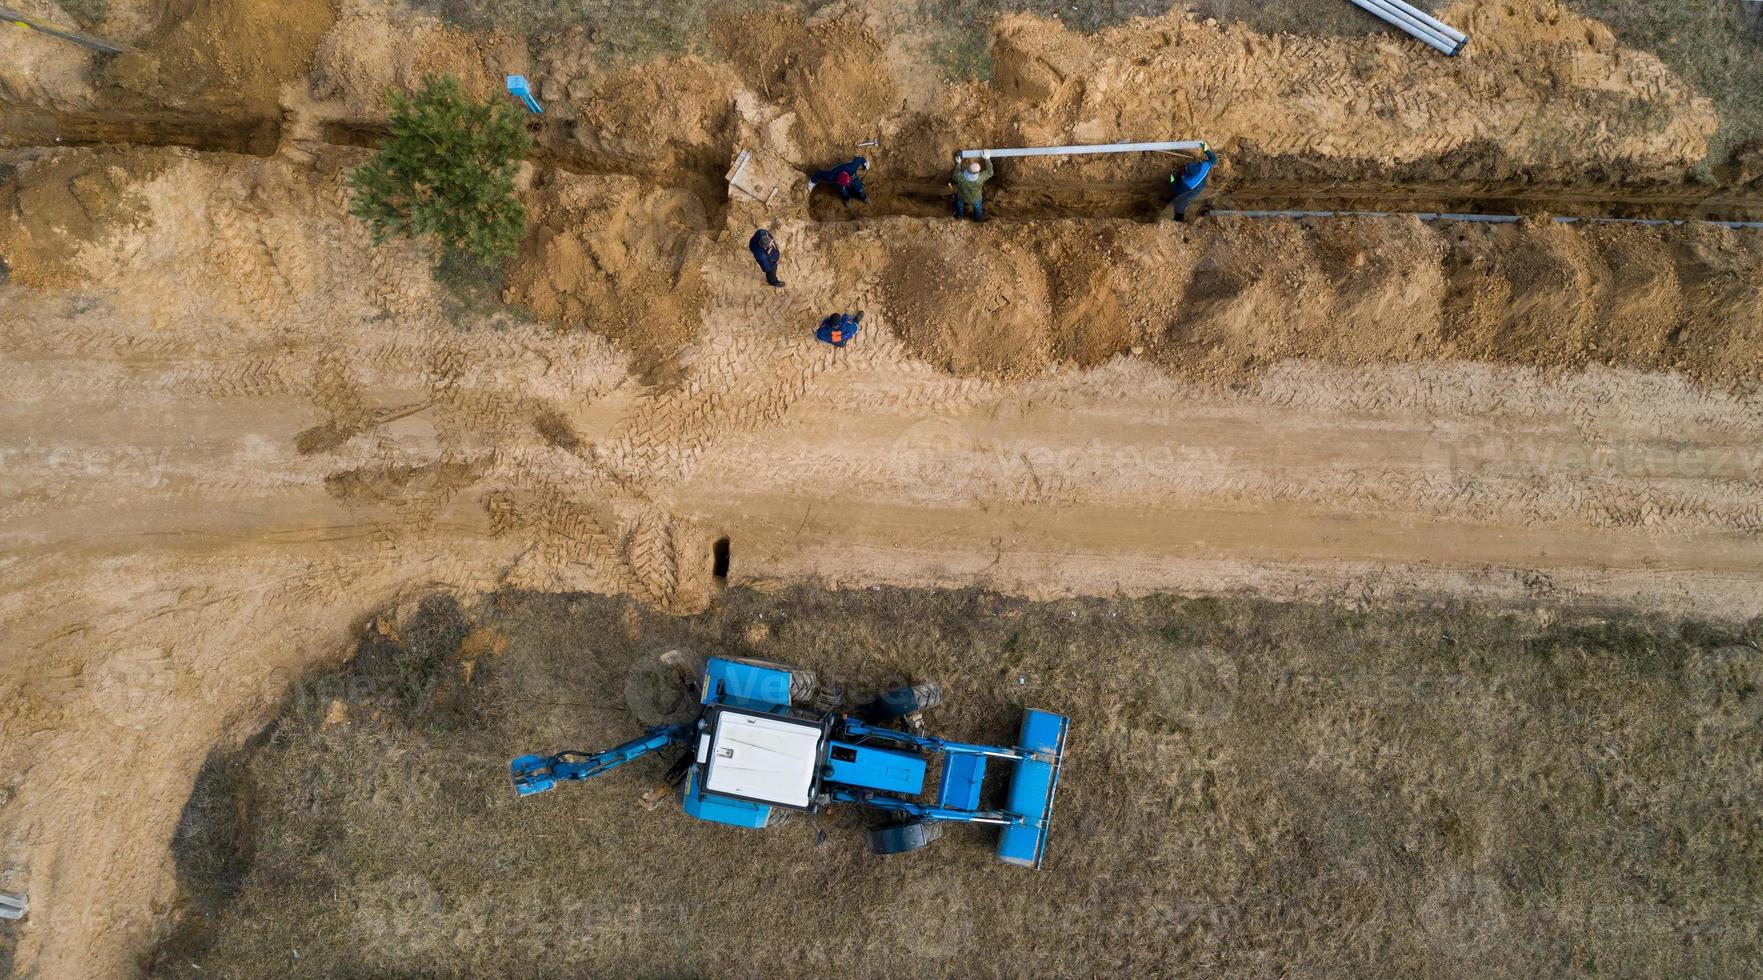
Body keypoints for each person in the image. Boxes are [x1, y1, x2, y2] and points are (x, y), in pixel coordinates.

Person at [1169, 143, 1217, 222]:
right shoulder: (1204, 166)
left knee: (1180, 205)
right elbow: (1213, 160)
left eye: (1186, 169)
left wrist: (1173, 180)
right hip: (1199, 187)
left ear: (1188, 173)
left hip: (1190, 191)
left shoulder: (1185, 183)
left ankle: (1177, 221)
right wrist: (1206, 150)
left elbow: (1177, 190)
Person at [951, 150, 993, 221]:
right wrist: (987, 159)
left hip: (962, 197)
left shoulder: (961, 177)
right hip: (976, 199)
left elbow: (954, 175)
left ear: (967, 169)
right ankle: (977, 219)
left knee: (960, 205)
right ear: (978, 172)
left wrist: (958, 164)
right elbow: (990, 172)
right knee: (977, 207)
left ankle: (960, 217)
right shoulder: (980, 177)